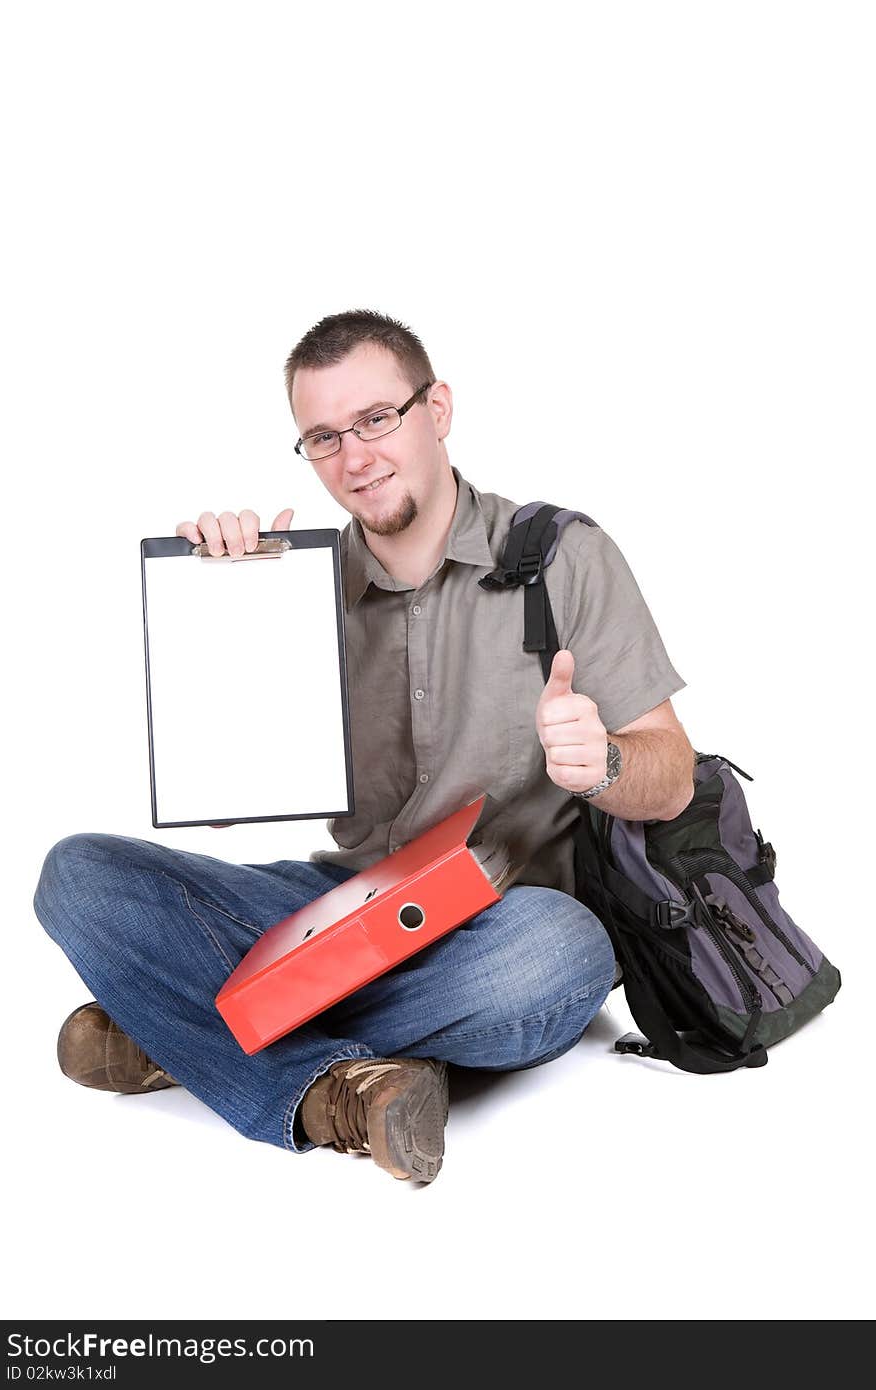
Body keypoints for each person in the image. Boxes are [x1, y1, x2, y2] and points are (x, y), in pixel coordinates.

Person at [34, 309, 695, 1184]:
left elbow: (673, 779)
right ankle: (325, 1086)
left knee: (563, 957)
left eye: (378, 417)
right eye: (322, 436)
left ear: (439, 408)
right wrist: (218, 605)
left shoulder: (563, 555)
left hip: (496, 923)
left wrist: (604, 761)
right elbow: (226, 785)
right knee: (75, 875)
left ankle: (189, 1033)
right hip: (337, 904)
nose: (355, 457)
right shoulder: (291, 584)